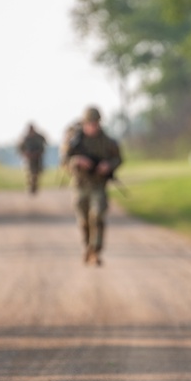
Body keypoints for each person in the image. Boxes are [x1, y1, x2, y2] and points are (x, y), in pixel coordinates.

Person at [61, 106, 122, 266]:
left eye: (96, 123)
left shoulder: (107, 141)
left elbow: (118, 158)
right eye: (90, 123)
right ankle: (88, 246)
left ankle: (95, 250)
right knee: (83, 221)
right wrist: (77, 161)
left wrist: (108, 165)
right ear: (84, 123)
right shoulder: (74, 142)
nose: (93, 127)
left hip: (98, 185)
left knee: (97, 216)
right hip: (80, 185)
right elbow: (65, 162)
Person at [18, 123, 48, 194]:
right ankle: (31, 187)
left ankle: (34, 186)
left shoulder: (39, 137)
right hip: (29, 158)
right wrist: (25, 154)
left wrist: (39, 152)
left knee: (36, 173)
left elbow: (44, 144)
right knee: (30, 173)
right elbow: (20, 148)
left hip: (37, 157)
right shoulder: (25, 138)